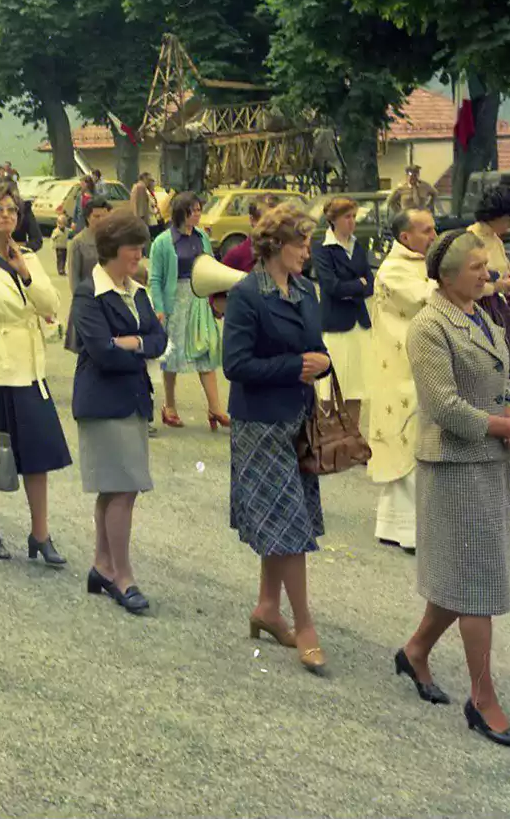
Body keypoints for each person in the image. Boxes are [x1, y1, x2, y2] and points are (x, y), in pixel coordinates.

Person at [396, 230, 510, 749]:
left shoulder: (483, 313)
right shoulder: (430, 326)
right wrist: (505, 429)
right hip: (455, 468)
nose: (487, 273)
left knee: (463, 576)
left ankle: (415, 652)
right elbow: (444, 407)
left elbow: (500, 382)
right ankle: (483, 699)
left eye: (486, 265)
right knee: (476, 582)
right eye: (477, 267)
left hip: (489, 461)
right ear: (448, 275)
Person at [224, 202, 331, 673]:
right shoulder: (248, 294)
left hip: (298, 420)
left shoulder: (306, 290)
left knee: (283, 520)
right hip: (260, 425)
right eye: (301, 243)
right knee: (289, 528)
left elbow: (316, 347)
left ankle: (268, 607)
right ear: (275, 246)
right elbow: (236, 365)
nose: (307, 252)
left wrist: (324, 361)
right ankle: (304, 624)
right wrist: (296, 367)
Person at [0, 181, 71, 563]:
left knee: (38, 457)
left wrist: (25, 273)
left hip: (30, 372)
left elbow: (51, 305)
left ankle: (41, 534)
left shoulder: (29, 258)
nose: (7, 215)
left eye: (12, 210)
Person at [71, 212, 168, 615]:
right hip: (103, 402)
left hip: (129, 400)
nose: (139, 254)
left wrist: (128, 343)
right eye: (134, 247)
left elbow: (159, 340)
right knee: (123, 490)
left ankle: (102, 565)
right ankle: (122, 576)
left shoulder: (137, 290)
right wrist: (135, 345)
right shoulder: (87, 294)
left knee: (114, 488)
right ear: (113, 249)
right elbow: (100, 352)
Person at [367, 209, 438, 552]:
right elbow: (428, 299)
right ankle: (411, 532)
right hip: (400, 371)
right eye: (426, 230)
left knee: (411, 444)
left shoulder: (422, 263)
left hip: (416, 364)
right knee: (409, 442)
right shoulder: (394, 268)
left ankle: (393, 525)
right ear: (405, 237)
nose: (434, 235)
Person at [148, 191, 227, 430]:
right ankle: (169, 406)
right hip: (175, 303)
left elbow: (210, 269)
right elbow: (155, 278)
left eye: (199, 209)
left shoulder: (202, 237)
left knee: (206, 352)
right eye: (194, 210)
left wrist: (215, 301)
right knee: (172, 356)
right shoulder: (162, 242)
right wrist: (159, 308)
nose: (198, 214)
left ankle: (216, 408)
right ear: (182, 213)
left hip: (199, 301)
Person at [311, 197, 375, 408]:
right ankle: (327, 436)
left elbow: (371, 283)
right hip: (336, 324)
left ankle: (352, 436)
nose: (352, 221)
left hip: (359, 324)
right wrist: (358, 284)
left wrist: (353, 287)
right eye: (347, 217)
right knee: (330, 386)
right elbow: (332, 287)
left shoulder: (357, 245)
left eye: (354, 216)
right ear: (333, 220)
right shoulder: (322, 249)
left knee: (357, 388)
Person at [468, 186, 510, 379]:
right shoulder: (471, 240)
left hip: (499, 309)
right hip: (481, 312)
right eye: (509, 219)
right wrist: (502, 286)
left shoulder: (495, 239)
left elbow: (500, 273)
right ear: (496, 215)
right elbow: (470, 287)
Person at [63, 196, 111, 356]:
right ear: (88, 218)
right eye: (96, 216)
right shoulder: (78, 243)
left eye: (104, 215)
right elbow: (74, 278)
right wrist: (81, 304)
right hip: (88, 301)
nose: (101, 220)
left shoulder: (113, 239)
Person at [222, 194, 282, 274]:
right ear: (253, 220)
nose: (275, 226)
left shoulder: (286, 254)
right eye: (268, 221)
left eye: (280, 221)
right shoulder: (236, 256)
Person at [51, 207, 70, 277]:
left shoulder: (67, 230)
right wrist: (53, 244)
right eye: (60, 224)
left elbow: (71, 233)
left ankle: (63, 269)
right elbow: (53, 238)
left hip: (64, 247)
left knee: (64, 258)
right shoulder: (56, 231)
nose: (62, 226)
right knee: (59, 259)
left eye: (63, 224)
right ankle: (60, 269)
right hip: (58, 247)